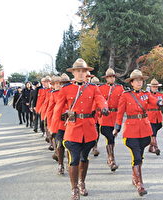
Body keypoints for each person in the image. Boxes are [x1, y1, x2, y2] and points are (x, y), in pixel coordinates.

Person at [52, 58, 109, 200]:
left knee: (84, 158)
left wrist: (104, 107)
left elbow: (100, 99)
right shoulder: (66, 89)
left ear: (86, 73)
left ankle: (82, 182)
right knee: (74, 159)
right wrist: (54, 128)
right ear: (74, 73)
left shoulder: (93, 88)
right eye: (78, 71)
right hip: (73, 129)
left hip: (89, 129)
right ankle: (74, 189)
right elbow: (58, 108)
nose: (81, 73)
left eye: (83, 71)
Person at [113, 69, 163, 196]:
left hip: (145, 130)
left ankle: (135, 176)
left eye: (141, 80)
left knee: (140, 156)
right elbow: (120, 112)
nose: (139, 82)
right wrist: (117, 127)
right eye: (136, 80)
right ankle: (140, 184)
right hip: (131, 130)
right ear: (131, 82)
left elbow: (155, 101)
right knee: (137, 156)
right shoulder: (125, 95)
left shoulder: (146, 94)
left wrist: (162, 102)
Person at [98, 68, 124, 171]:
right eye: (109, 77)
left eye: (113, 77)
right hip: (105, 117)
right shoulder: (101, 88)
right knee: (109, 136)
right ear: (106, 78)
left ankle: (110, 158)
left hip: (116, 116)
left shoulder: (120, 88)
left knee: (111, 137)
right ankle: (111, 158)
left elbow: (123, 102)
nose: (111, 78)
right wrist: (100, 111)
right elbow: (98, 101)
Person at [146, 78, 163, 156]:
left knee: (155, 131)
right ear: (150, 87)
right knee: (153, 133)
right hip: (150, 116)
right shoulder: (148, 95)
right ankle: (156, 148)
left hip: (158, 116)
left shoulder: (160, 95)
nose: (155, 88)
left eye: (156, 86)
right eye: (154, 86)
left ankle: (151, 147)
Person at [91, 76, 101, 157]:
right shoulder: (88, 91)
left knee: (97, 130)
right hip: (90, 115)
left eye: (97, 84)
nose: (96, 86)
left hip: (98, 115)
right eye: (95, 84)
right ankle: (93, 146)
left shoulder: (99, 92)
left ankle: (95, 146)